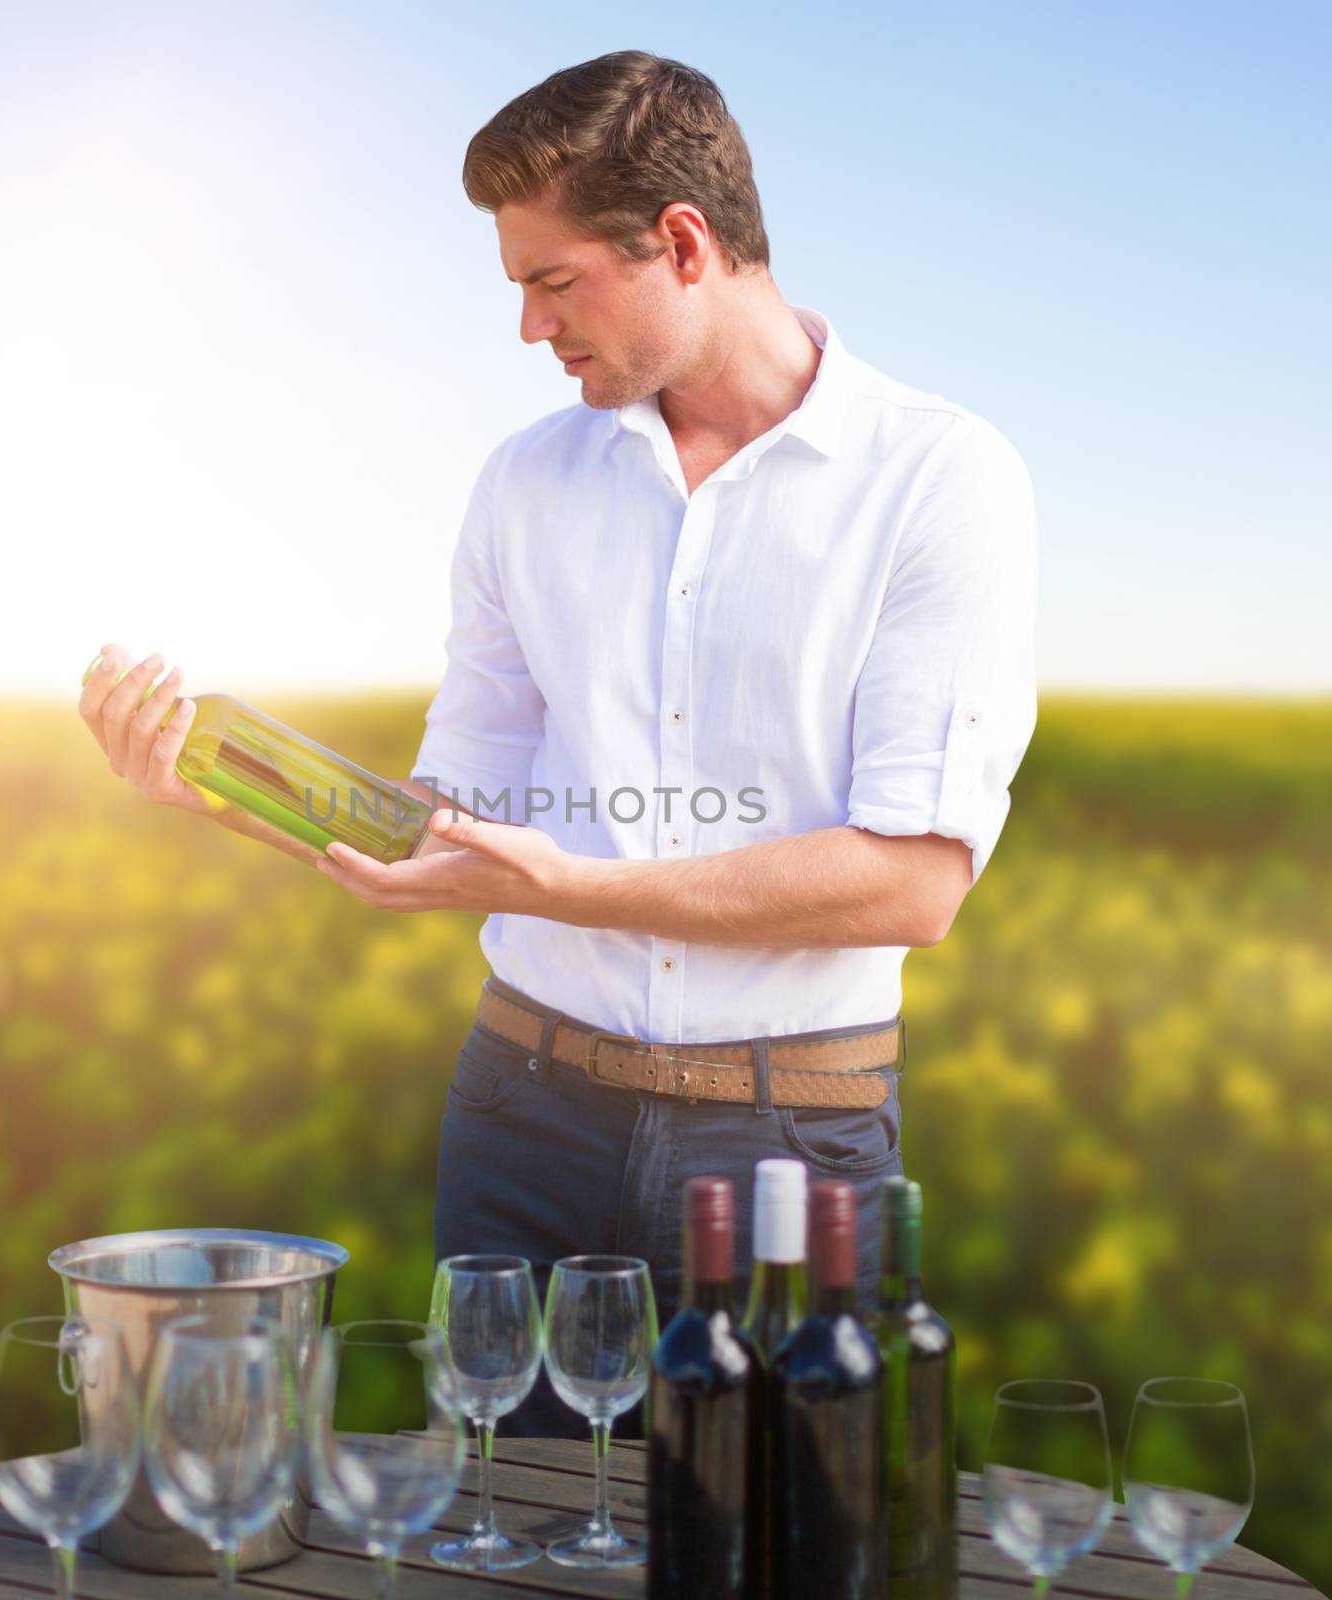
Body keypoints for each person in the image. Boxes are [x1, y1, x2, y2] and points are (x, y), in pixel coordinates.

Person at [79, 50, 1038, 1441]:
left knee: (776, 1545)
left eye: (553, 281)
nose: (528, 328)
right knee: (505, 1542)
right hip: (521, 1116)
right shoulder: (524, 484)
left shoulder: (939, 480)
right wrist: (221, 792)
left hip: (787, 1150)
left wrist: (556, 888)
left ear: (685, 245)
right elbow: (445, 814)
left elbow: (912, 881)